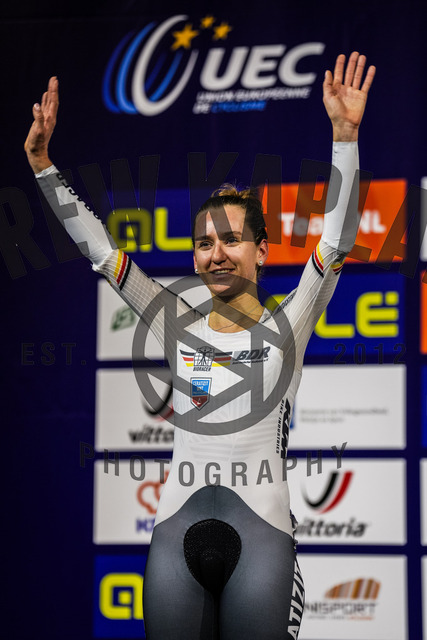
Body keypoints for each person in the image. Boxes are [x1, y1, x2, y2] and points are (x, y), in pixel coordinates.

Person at [25, 51, 375, 639]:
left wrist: (344, 138)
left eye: (232, 240)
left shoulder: (292, 322)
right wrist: (42, 167)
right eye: (204, 244)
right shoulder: (175, 324)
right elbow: (102, 253)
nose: (217, 254)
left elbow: (337, 242)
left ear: (262, 251)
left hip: (263, 541)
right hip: (174, 542)